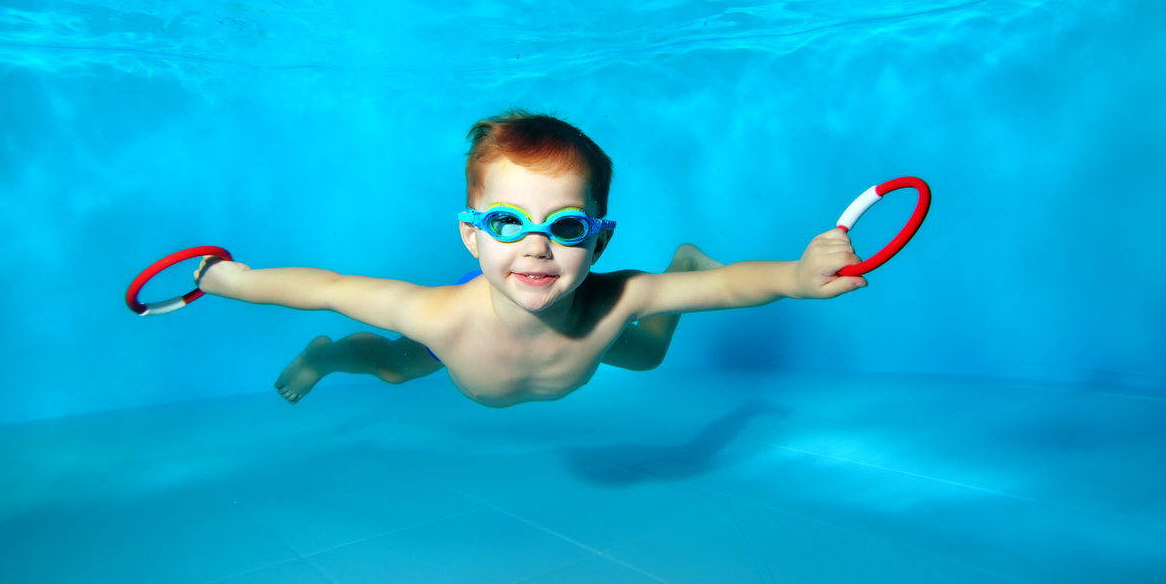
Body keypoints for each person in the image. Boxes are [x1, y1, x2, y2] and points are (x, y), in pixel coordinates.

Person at [193, 111, 867, 408]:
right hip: (466, 350)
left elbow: (727, 292)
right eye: (507, 223)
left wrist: (795, 278)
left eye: (565, 226)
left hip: (581, 336)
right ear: (471, 237)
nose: (535, 246)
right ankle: (324, 356)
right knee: (397, 371)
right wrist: (233, 280)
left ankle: (683, 263)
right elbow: (327, 287)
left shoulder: (616, 297)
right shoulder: (437, 313)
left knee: (648, 349)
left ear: (599, 241)